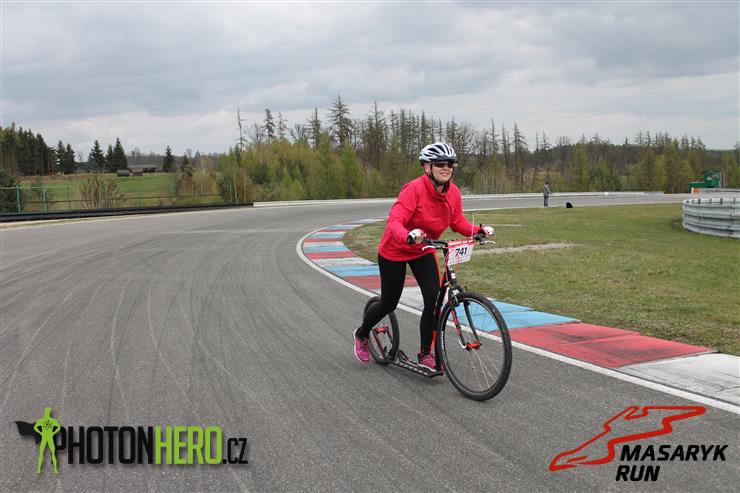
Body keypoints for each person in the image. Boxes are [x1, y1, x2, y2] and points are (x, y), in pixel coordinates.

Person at [352, 142, 494, 370]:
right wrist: (407, 235)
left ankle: (425, 353)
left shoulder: (453, 192)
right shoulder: (414, 189)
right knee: (389, 302)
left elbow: (457, 221)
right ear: (427, 167)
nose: (446, 168)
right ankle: (362, 333)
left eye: (450, 164)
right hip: (395, 249)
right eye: (440, 163)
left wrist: (477, 230)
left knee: (434, 300)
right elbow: (394, 221)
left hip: (423, 248)